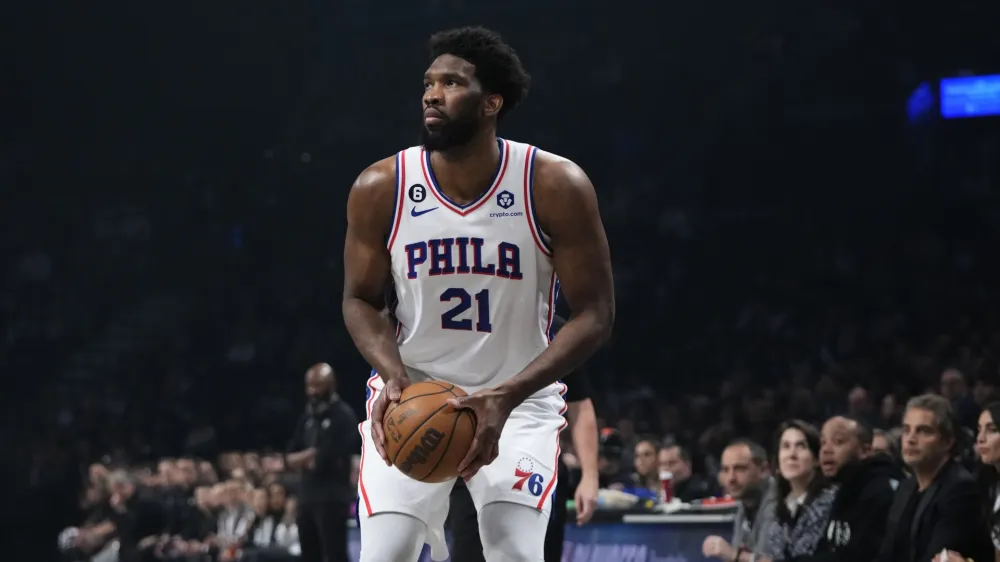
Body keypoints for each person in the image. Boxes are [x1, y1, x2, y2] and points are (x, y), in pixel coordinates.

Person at [342, 26, 615, 562]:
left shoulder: (554, 185)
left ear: (492, 102)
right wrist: (392, 374)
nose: (431, 93)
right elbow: (359, 299)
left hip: (518, 403)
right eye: (427, 82)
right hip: (413, 397)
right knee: (385, 555)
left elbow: (596, 314)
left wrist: (507, 395)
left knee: (513, 552)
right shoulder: (382, 187)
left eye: (451, 82)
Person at [449, 314, 601, 562]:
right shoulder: (466, 323)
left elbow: (580, 405)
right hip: (475, 459)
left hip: (536, 462)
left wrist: (590, 476)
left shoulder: (556, 329)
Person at [875, 394, 993, 562]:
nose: (910, 439)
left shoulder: (960, 490)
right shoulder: (906, 487)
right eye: (906, 429)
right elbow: (886, 555)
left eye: (923, 431)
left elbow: (938, 558)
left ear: (948, 441)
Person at [281, 363, 358, 562]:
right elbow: (289, 456)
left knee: (335, 555)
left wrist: (306, 459)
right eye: (309, 386)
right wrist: (307, 457)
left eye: (318, 385)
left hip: (333, 498)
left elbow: (323, 459)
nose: (312, 391)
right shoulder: (307, 417)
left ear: (331, 385)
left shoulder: (344, 416)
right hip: (307, 497)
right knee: (309, 555)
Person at [803, 416, 901, 561]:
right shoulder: (844, 489)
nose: (826, 450)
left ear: (865, 451)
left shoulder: (880, 492)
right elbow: (825, 550)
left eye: (838, 441)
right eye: (823, 442)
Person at [766, 420, 837, 561]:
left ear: (817, 459)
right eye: (785, 446)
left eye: (801, 446)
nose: (792, 455)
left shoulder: (832, 500)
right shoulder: (778, 507)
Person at [702, 439, 777, 562]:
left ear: (763, 470)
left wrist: (733, 554)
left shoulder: (778, 503)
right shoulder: (745, 503)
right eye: (726, 470)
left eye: (740, 469)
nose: (731, 478)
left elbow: (769, 560)